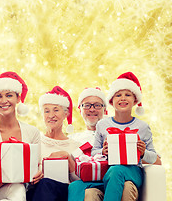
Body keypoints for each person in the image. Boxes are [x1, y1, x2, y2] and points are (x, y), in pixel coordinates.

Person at [70, 72, 159, 201]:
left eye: (127, 95)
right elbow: (94, 151)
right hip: (107, 172)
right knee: (76, 186)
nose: (123, 98)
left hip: (133, 172)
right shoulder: (102, 125)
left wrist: (143, 152)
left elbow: (154, 158)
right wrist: (103, 151)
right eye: (118, 95)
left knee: (117, 170)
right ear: (111, 101)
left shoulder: (142, 127)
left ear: (135, 100)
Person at [0, 71, 40, 201]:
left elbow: (37, 166)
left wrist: (39, 173)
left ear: (18, 98)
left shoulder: (32, 132)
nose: (4, 101)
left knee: (17, 189)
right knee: (17, 190)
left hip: (23, 191)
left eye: (9, 95)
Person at [27, 86, 81, 201]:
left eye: (56, 110)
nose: (51, 115)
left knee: (46, 183)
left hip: (64, 193)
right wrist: (35, 177)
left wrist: (68, 158)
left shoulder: (75, 146)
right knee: (43, 184)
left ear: (65, 114)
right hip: (36, 192)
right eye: (47, 111)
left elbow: (79, 182)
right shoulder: (34, 143)